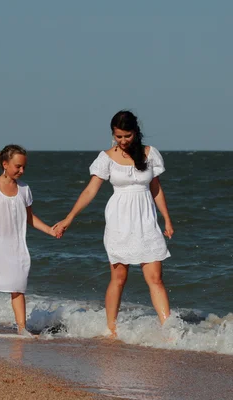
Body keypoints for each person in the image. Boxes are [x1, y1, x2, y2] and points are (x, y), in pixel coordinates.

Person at [53, 110, 174, 337]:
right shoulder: (106, 158)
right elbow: (90, 190)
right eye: (118, 136)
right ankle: (111, 330)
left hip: (146, 221)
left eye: (127, 136)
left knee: (155, 278)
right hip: (119, 221)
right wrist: (69, 218)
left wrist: (166, 218)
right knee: (119, 278)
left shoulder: (150, 154)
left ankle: (169, 331)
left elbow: (156, 188)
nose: (123, 141)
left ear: (135, 133)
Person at [0, 144, 56, 335]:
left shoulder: (25, 189)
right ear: (5, 164)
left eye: (24, 167)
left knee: (18, 286)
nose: (21, 170)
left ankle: (21, 328)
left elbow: (30, 217)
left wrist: (49, 230)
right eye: (18, 166)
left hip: (16, 247)